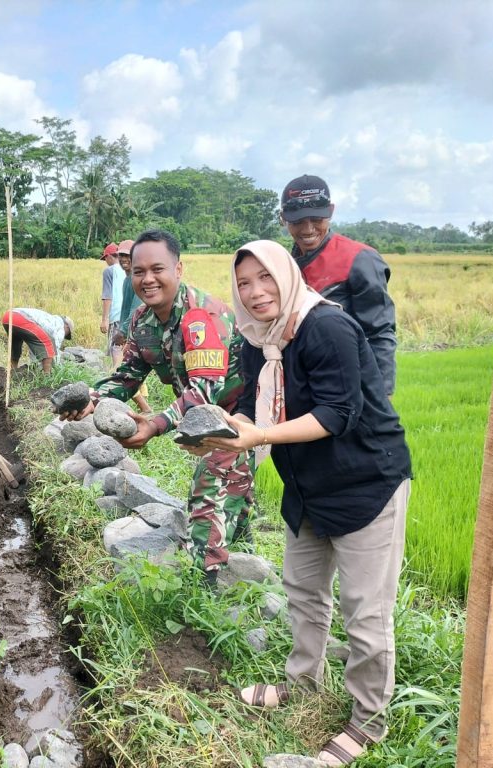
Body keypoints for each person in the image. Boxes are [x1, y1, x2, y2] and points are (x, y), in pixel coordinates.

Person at [194, 239, 411, 765]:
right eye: (243, 283)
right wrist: (230, 429)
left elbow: (339, 412)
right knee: (303, 592)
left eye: (264, 278)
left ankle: (367, 723)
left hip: (365, 486)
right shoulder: (256, 339)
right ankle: (303, 684)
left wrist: (256, 438)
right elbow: (250, 407)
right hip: (309, 488)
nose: (254, 291)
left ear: (287, 276)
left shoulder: (326, 327)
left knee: (366, 613)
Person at [63, 229, 253, 575]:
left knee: (208, 495)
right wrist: (92, 400)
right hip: (208, 419)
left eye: (158, 269)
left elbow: (205, 391)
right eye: (138, 271)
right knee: (231, 499)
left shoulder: (200, 317)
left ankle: (203, 590)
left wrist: (153, 424)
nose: (147, 279)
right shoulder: (142, 319)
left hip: (240, 417)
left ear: (178, 270)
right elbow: (128, 376)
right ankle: (244, 571)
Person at [279, 174, 398, 395]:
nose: (307, 229)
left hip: (347, 383)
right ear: (283, 218)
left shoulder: (359, 259)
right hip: (304, 383)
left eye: (316, 219)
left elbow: (379, 333)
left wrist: (380, 397)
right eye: (297, 221)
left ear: (331, 211)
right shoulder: (284, 264)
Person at [113, 239, 153, 415]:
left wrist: (123, 332)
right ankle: (144, 408)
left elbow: (136, 309)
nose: (123, 259)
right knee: (132, 370)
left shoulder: (136, 280)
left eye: (126, 255)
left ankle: (145, 408)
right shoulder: (125, 280)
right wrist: (121, 331)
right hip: (130, 332)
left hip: (139, 331)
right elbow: (125, 309)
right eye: (120, 255)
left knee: (122, 371)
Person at [1, 308, 74, 374]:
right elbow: (55, 346)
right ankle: (47, 377)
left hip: (8, 316)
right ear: (66, 326)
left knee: (15, 346)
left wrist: (34, 363)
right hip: (21, 318)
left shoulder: (48, 319)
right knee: (50, 344)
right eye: (67, 333)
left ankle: (12, 372)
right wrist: (57, 368)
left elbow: (34, 344)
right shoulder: (59, 325)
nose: (64, 336)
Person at [99, 242, 125, 366]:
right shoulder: (130, 269)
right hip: (132, 316)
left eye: (105, 258)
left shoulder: (109, 271)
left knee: (116, 347)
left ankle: (116, 375)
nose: (106, 261)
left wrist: (105, 319)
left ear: (109, 256)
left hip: (116, 316)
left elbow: (107, 296)